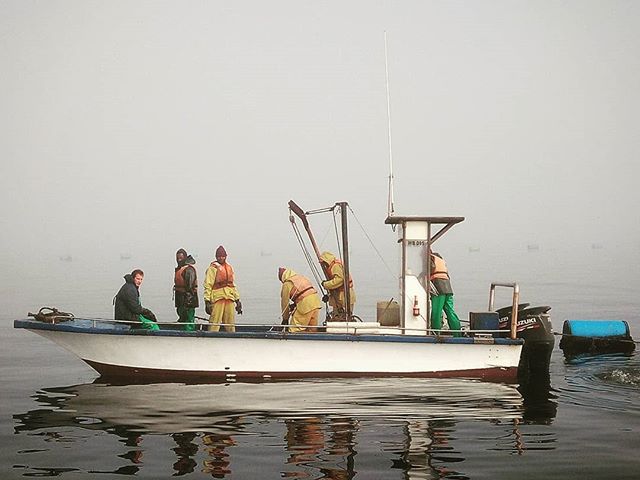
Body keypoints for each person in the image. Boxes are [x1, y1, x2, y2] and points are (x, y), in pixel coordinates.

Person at [203, 245, 242, 332]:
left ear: (226, 256)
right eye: (219, 256)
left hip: (229, 298)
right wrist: (207, 301)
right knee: (215, 320)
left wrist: (237, 299)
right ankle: (212, 336)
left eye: (222, 256)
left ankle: (231, 336)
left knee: (230, 321)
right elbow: (208, 285)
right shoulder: (212, 268)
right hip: (217, 298)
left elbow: (232, 285)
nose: (221, 258)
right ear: (216, 257)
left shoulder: (229, 268)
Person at [426, 249, 461, 336]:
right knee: (450, 311)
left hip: (438, 287)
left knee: (436, 312)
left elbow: (431, 268)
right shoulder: (439, 258)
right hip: (448, 287)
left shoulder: (429, 258)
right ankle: (457, 334)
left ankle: (435, 334)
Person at [278, 267, 322, 333]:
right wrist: (295, 304)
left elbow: (285, 303)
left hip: (305, 305)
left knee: (294, 329)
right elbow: (304, 292)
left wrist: (285, 319)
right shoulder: (300, 277)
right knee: (311, 329)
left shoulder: (287, 283)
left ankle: (292, 342)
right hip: (316, 302)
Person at [319, 251, 355, 319]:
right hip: (338, 294)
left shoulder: (335, 266)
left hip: (345, 294)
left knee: (346, 316)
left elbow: (339, 280)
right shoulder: (331, 266)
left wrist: (326, 284)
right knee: (337, 315)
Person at [174, 248, 198, 332]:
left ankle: (189, 333)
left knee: (189, 318)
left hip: (188, 299)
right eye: (177, 258)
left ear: (185, 258)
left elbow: (190, 286)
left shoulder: (189, 269)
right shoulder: (180, 269)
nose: (179, 260)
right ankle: (182, 331)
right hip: (180, 298)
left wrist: (189, 301)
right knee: (182, 317)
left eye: (180, 258)